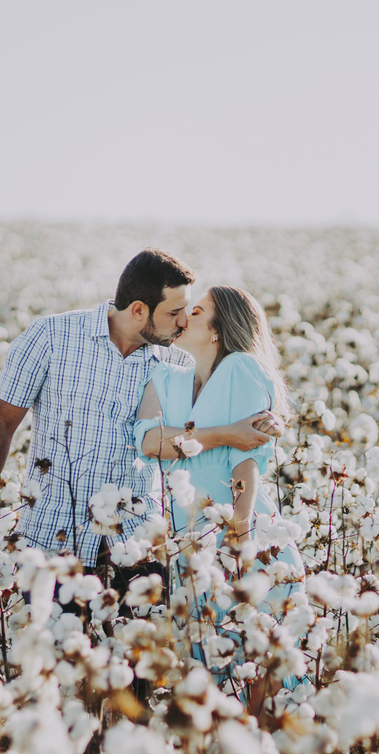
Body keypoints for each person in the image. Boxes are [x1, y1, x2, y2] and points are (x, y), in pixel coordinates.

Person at [0, 251, 282, 596]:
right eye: (174, 313)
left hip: (138, 550)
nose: (182, 322)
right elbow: (0, 424)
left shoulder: (175, 360)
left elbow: (225, 400)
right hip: (51, 541)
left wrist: (267, 419)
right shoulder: (51, 337)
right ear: (138, 311)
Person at [132, 285, 306, 716]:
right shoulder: (165, 377)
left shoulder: (240, 368)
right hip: (190, 547)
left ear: (217, 331)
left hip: (241, 543)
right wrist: (220, 434)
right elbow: (150, 441)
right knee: (208, 677)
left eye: (197, 310)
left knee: (253, 679)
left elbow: (246, 459)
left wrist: (239, 539)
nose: (183, 316)